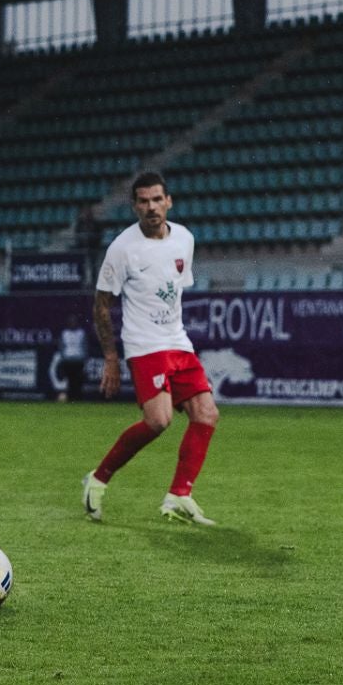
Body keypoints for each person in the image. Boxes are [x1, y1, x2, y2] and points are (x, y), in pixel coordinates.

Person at [80, 172, 219, 526]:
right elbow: (101, 304)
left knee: (206, 414)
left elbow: (175, 291)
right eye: (143, 201)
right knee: (159, 421)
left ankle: (179, 495)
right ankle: (98, 479)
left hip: (177, 341)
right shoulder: (122, 249)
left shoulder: (184, 238)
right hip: (144, 345)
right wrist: (111, 357)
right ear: (134, 206)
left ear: (168, 201)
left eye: (157, 199)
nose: (151, 207)